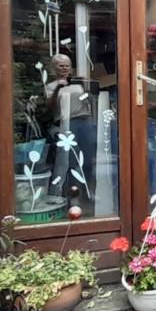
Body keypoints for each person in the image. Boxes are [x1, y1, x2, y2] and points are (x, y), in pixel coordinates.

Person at [45, 54, 96, 209]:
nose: (65, 68)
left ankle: (89, 192)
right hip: (68, 123)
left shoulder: (78, 85)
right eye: (61, 65)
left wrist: (86, 86)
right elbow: (49, 106)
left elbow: (91, 100)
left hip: (85, 122)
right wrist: (58, 88)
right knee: (72, 161)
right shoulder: (51, 86)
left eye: (67, 65)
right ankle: (74, 196)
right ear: (54, 68)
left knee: (88, 159)